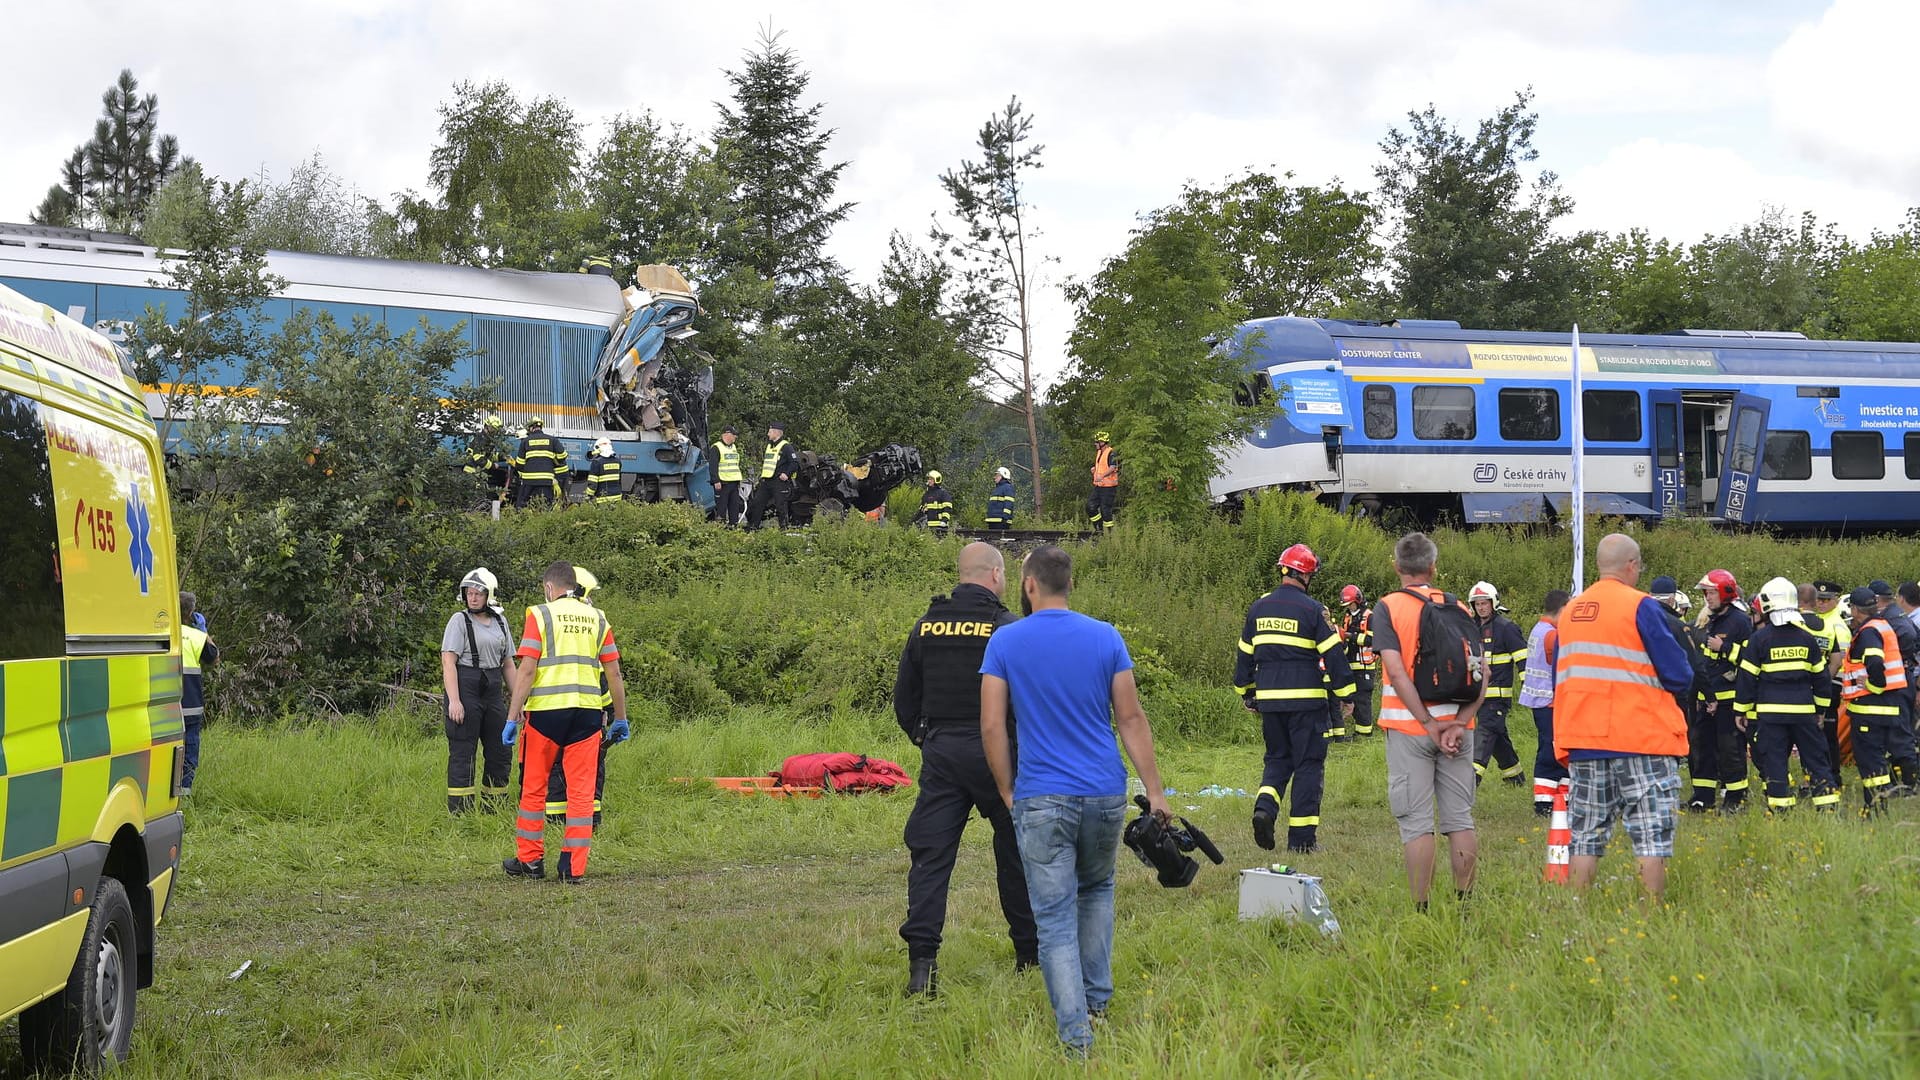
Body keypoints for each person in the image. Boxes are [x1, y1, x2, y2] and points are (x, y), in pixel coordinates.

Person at [981, 545, 1169, 1056]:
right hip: (1104, 792)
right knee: (1098, 891)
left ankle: (1076, 1038)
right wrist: (1154, 790)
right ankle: (1097, 1004)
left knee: (1054, 917)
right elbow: (1130, 719)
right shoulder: (1105, 636)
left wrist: (1006, 789)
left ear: (1028, 585)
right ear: (1068, 585)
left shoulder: (1005, 641)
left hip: (1042, 796)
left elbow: (993, 724)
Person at [894, 543, 1036, 997]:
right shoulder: (1008, 627)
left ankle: (922, 967)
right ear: (995, 575)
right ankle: (1028, 956)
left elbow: (905, 698)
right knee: (1016, 853)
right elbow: (1030, 699)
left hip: (943, 752)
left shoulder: (927, 625)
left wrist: (925, 736)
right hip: (1000, 756)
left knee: (931, 858)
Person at [1554, 534, 1695, 903]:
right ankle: (1650, 915)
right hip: (1640, 737)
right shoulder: (1641, 606)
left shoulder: (1570, 611)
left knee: (1585, 834)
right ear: (1632, 565)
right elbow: (1679, 674)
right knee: (1650, 832)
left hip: (1584, 739)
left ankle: (1577, 912)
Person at [1371, 532, 1482, 912]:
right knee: (1459, 819)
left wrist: (1428, 723)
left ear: (1396, 566)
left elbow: (1397, 673)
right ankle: (1465, 903)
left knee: (1416, 823)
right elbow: (1483, 674)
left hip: (1409, 731)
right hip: (1458, 730)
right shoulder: (1460, 609)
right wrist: (1459, 721)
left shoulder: (1388, 608)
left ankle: (1422, 908)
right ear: (1433, 567)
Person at [502, 562, 630, 883]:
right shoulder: (598, 618)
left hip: (546, 715)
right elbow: (613, 672)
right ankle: (572, 868)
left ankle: (530, 862)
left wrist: (512, 715)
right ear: (574, 586)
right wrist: (621, 718)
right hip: (587, 716)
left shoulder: (540, 615)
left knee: (534, 788)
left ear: (549, 588)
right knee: (582, 794)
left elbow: (528, 670)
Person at [1233, 543, 1355, 853]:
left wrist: (1247, 694)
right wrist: (1347, 694)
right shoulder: (1313, 609)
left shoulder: (1258, 608)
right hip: (1306, 701)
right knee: (1308, 765)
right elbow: (1333, 654)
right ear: (1306, 575)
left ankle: (1265, 809)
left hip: (1270, 699)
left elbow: (1244, 656)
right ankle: (1301, 841)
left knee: (1277, 759)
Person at [1735, 577, 1839, 812]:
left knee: (1775, 763)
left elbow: (1747, 680)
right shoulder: (1807, 639)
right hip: (1804, 713)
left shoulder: (1758, 640)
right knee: (1816, 761)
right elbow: (1822, 680)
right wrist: (1820, 710)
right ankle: (1828, 809)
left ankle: (1781, 810)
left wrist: (1741, 710)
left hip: (1770, 715)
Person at [545, 568, 616, 826]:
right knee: (589, 768)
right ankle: (590, 818)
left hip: (551, 709)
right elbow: (605, 674)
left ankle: (555, 818)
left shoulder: (548, 618)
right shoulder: (594, 621)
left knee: (555, 765)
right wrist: (615, 713)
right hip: (588, 709)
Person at [440, 569, 513, 815]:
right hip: (466, 685)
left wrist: (518, 702)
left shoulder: (501, 622)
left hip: (492, 688)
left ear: (488, 596)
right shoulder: (459, 621)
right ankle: (461, 813)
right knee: (463, 750)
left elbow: (508, 664)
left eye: (478, 594)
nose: (472, 598)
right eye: (469, 593)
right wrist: (455, 701)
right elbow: (448, 662)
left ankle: (495, 808)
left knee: (500, 749)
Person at [1842, 586, 1919, 812]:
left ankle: (1874, 808)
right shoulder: (1883, 624)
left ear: (1856, 610)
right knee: (1881, 755)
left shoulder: (1868, 632)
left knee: (1870, 761)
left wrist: (1874, 686)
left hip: (1870, 707)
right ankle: (1881, 803)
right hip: (1887, 706)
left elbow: (1875, 662)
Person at [1690, 569, 1752, 812]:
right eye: (1706, 592)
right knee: (1702, 748)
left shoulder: (1740, 621)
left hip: (1730, 699)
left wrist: (1724, 647)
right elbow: (1703, 661)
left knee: (1730, 751)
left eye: (1712, 592)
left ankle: (1736, 798)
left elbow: (1750, 660)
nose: (1707, 597)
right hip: (1709, 697)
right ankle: (1702, 797)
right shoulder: (1711, 619)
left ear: (1726, 591)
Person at [1467, 581, 1528, 788]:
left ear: (1493, 603)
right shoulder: (1472, 628)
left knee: (1484, 734)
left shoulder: (1506, 628)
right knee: (1497, 736)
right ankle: (1514, 777)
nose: (1481, 608)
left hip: (1497, 697)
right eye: (1477, 604)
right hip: (1477, 696)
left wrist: (1529, 689)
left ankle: (1470, 781)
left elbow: (1523, 659)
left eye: (1485, 603)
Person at [1518, 589, 1569, 817]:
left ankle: (1558, 797)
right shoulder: (1553, 635)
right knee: (1552, 751)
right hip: (1551, 701)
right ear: (1562, 609)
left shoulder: (1539, 630)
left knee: (1549, 747)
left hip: (1540, 700)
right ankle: (1546, 802)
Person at [1808, 581, 1852, 793]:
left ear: (1836, 601)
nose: (1822, 603)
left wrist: (1823, 684)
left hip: (1830, 684)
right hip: (1819, 684)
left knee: (1827, 733)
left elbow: (1839, 660)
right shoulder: (1818, 621)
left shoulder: (1837, 625)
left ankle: (1833, 776)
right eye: (1819, 599)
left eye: (1826, 600)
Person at [179, 592, 219, 797]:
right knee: (190, 747)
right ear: (191, 613)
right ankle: (184, 793)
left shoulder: (162, 633)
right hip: (191, 704)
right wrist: (204, 632)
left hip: (164, 705)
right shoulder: (197, 636)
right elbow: (213, 660)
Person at [1338, 585, 1378, 737]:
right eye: (1347, 605)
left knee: (1363, 699)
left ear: (1358, 601)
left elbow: (1372, 639)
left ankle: (1364, 733)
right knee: (1353, 697)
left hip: (1365, 665)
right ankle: (1359, 731)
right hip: (1351, 664)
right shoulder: (1348, 616)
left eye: (1351, 604)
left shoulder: (1369, 616)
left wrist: (1349, 636)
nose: (1348, 607)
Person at [745, 421, 796, 529]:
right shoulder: (770, 445)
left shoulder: (786, 447)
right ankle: (753, 526)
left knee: (780, 505)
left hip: (779, 481)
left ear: (777, 433)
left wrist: (787, 474)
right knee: (757, 503)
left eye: (770, 431)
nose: (768, 434)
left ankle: (784, 528)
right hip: (766, 481)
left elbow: (794, 463)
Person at [514, 417, 566, 508]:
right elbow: (563, 456)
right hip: (546, 480)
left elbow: (519, 464)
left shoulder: (525, 441)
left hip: (529, 481)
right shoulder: (552, 440)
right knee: (545, 506)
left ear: (531, 428)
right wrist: (553, 462)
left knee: (523, 505)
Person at [463, 414, 512, 511]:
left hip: (479, 473)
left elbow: (489, 456)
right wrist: (493, 466)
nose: (494, 432)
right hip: (473, 473)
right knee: (476, 498)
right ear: (487, 426)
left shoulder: (486, 439)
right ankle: (474, 516)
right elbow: (478, 457)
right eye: (493, 429)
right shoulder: (481, 439)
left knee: (480, 498)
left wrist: (502, 457)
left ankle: (476, 515)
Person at [709, 426, 744, 526]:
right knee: (721, 508)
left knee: (734, 508)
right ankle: (721, 529)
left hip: (734, 483)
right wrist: (716, 480)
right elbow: (713, 466)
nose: (735, 437)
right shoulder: (716, 447)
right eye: (734, 435)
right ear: (727, 435)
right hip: (722, 483)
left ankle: (733, 527)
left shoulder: (733, 447)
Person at [1088, 431, 1120, 533]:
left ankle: (1109, 533)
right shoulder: (1099, 452)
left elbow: (1113, 467)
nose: (1095, 444)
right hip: (1099, 486)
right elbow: (1102, 466)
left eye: (1097, 442)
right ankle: (1099, 528)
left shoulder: (1111, 452)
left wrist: (1102, 476)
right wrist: (1095, 470)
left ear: (1102, 442)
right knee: (1090, 507)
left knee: (1105, 510)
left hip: (1108, 487)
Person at [584, 438, 623, 505]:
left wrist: (588, 496)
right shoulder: (617, 462)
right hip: (617, 498)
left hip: (603, 499)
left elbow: (593, 484)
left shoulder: (596, 462)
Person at [986, 466, 1017, 531]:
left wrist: (1005, 517)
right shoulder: (997, 489)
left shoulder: (1007, 488)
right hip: (993, 520)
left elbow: (1008, 504)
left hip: (1001, 521)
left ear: (1002, 476)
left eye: (997, 475)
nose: (995, 477)